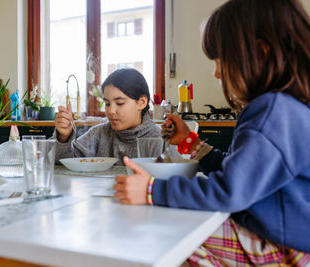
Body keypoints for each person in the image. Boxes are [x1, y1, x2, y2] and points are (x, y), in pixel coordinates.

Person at [113, 0, 310, 265]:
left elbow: (229, 191)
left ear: (261, 52)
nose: (217, 72)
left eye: (221, 60)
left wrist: (151, 191)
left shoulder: (272, 112)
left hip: (282, 247)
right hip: (289, 237)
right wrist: (190, 143)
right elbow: (237, 174)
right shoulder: (287, 109)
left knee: (170, 233)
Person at [54, 68, 161, 164]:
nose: (111, 111)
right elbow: (64, 162)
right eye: (107, 104)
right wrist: (63, 138)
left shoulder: (160, 139)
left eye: (119, 103)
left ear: (142, 102)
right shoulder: (99, 133)